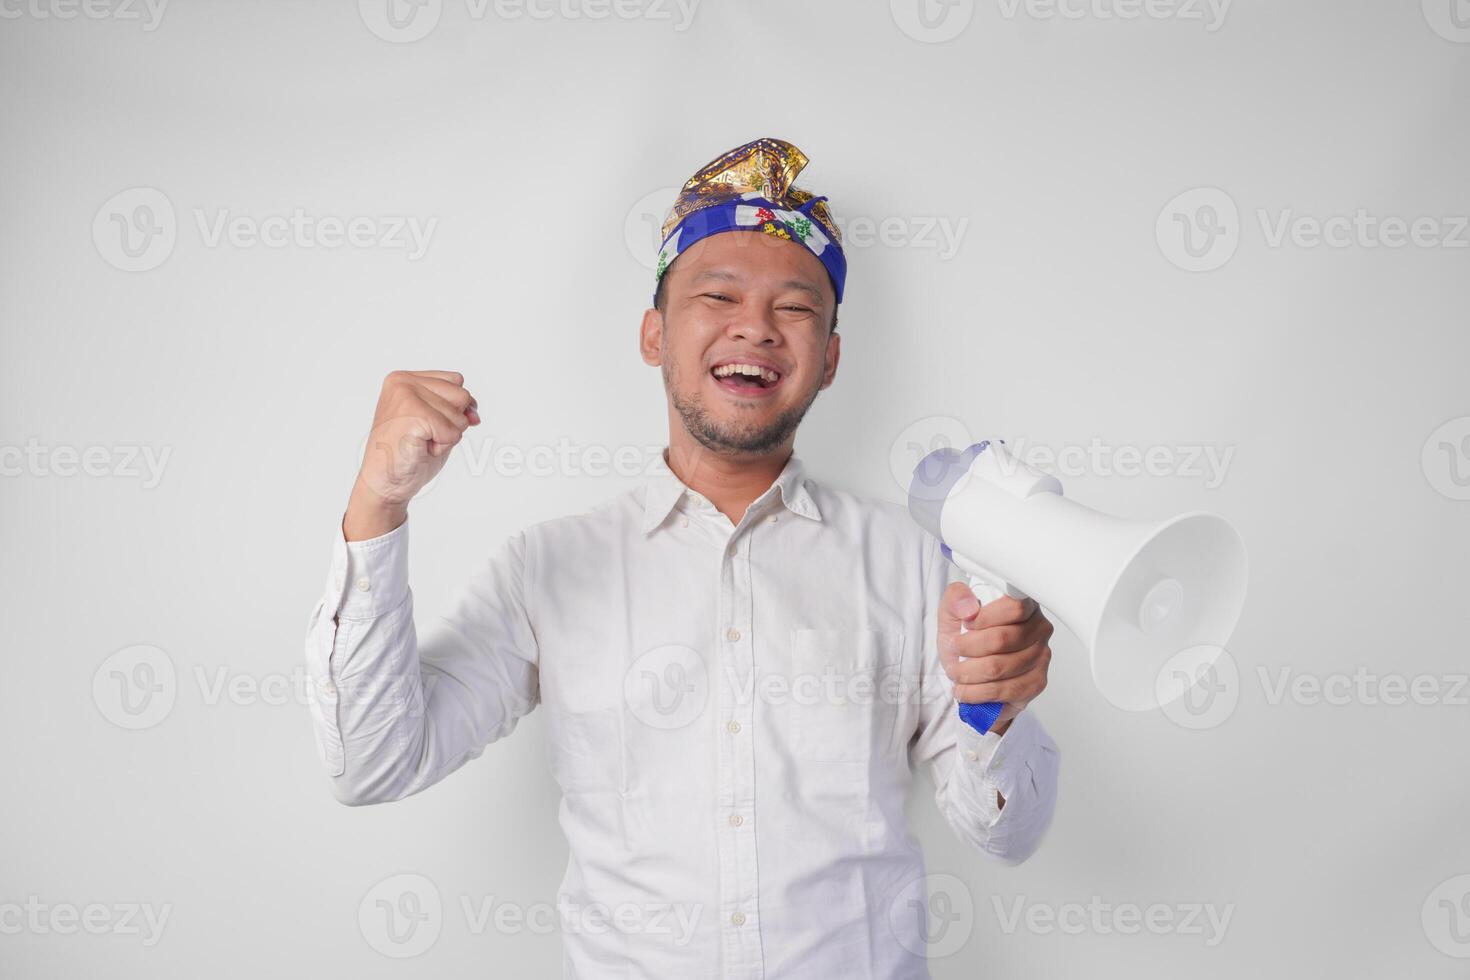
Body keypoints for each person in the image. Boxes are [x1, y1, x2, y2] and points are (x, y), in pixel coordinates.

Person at [303, 136, 1060, 978]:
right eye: (718, 295)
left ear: (832, 360)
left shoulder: (912, 565)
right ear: (654, 335)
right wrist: (380, 503)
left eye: (796, 309)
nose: (755, 327)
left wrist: (997, 707)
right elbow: (372, 764)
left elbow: (1008, 834)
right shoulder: (545, 568)